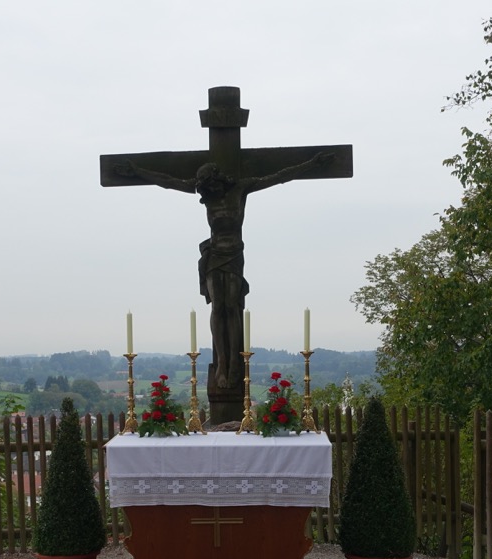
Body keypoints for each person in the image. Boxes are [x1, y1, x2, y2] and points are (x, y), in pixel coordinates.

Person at [114, 152, 334, 390]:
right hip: (213, 256)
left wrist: (312, 163)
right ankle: (221, 363)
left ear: (218, 178)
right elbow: (168, 181)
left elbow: (280, 176)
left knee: (231, 307)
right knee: (217, 307)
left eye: (210, 186)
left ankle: (235, 362)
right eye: (204, 189)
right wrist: (137, 171)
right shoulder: (206, 193)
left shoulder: (241, 188)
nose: (207, 193)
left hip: (234, 255)